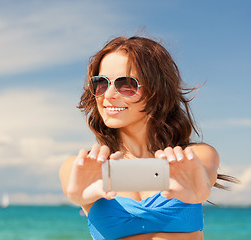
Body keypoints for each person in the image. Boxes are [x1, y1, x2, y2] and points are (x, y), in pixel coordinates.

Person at [59, 36, 228, 240]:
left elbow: (201, 173)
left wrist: (199, 184)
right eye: (101, 84)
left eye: (126, 84)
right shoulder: (80, 166)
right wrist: (77, 195)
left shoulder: (194, 157)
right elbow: (74, 190)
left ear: (157, 91)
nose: (109, 95)